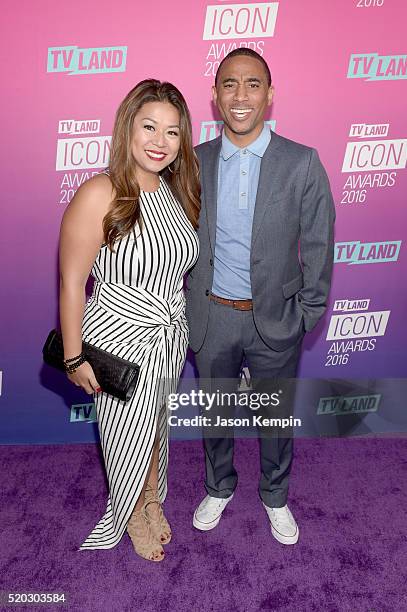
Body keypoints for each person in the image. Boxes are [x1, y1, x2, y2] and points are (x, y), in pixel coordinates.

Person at [185, 49, 335, 545]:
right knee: (215, 413)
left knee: (274, 418)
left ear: (270, 95)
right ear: (214, 95)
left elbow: (318, 242)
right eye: (229, 84)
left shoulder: (302, 162)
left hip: (276, 319)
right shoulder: (192, 163)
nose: (241, 95)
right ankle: (218, 486)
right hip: (211, 318)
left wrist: (308, 312)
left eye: (253, 84)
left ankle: (275, 496)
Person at [59, 79, 200, 561]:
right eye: (149, 127)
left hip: (166, 337)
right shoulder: (100, 191)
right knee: (126, 438)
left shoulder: (176, 193)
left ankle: (151, 500)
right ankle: (132, 513)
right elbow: (72, 282)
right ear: (127, 129)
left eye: (173, 132)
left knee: (155, 430)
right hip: (118, 337)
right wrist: (74, 356)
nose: (160, 141)